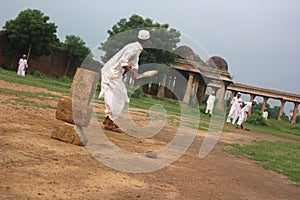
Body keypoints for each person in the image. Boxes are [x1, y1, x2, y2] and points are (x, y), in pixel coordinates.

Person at [99, 30, 151, 132]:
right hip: (112, 73)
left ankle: (108, 119)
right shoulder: (134, 48)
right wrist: (132, 72)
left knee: (116, 96)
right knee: (119, 97)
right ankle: (109, 122)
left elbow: (135, 63)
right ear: (146, 41)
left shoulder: (136, 48)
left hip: (113, 73)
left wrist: (134, 71)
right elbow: (123, 61)